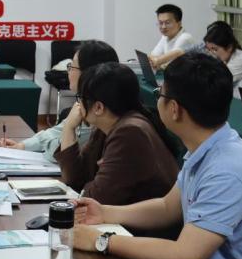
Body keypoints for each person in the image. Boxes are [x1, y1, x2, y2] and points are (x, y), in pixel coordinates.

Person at [73, 53, 242, 259]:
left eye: (160, 94)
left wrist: (101, 241)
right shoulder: (208, 146)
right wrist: (106, 212)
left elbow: (185, 254)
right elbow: (167, 207)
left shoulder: (226, 170)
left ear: (174, 109)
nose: (157, 100)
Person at [55, 62, 179, 205]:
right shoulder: (108, 126)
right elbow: (75, 178)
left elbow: (95, 198)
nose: (77, 105)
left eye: (80, 97)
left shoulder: (130, 133)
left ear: (98, 107)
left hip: (145, 219)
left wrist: (88, 185)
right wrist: (68, 128)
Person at [0, 40, 119, 163]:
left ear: (88, 73)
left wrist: (67, 130)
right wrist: (22, 146)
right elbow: (56, 131)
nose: (68, 71)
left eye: (72, 67)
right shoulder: (85, 100)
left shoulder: (99, 111)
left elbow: (56, 153)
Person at [198, 21, 242, 98]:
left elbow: (214, 84)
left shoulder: (240, 60)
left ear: (229, 47)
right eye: (208, 49)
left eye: (215, 49)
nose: (211, 54)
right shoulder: (226, 56)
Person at [148, 3, 196, 70]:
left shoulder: (185, 38)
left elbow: (169, 64)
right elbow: (152, 57)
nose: (163, 27)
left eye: (167, 23)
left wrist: (158, 62)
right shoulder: (165, 37)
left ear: (179, 23)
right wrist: (157, 61)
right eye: (160, 23)